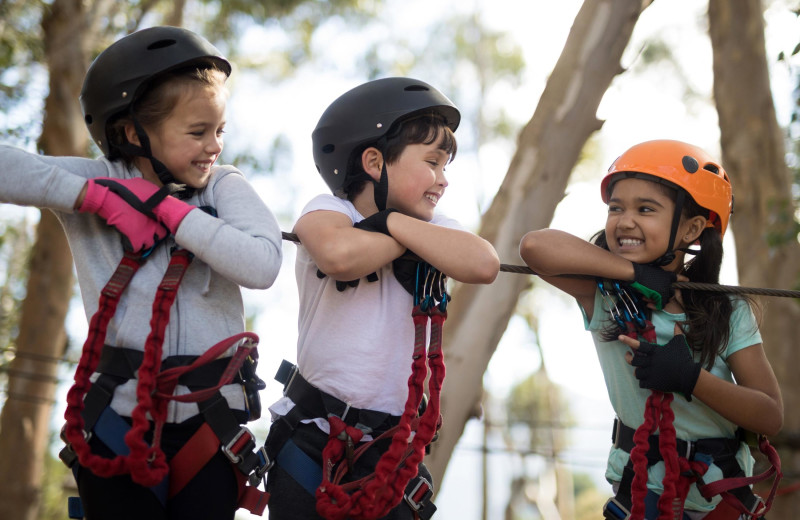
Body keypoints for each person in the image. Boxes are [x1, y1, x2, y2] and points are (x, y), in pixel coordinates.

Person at [0, 26, 282, 519]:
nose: (213, 146)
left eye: (219, 130)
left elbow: (261, 264)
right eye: (197, 132)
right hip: (116, 419)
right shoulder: (98, 182)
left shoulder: (224, 187)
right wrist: (96, 199)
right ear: (133, 134)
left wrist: (172, 213)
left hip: (208, 425)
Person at [263, 77, 500, 520]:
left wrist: (392, 224)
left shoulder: (435, 224)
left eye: (446, 167)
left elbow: (483, 263)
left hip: (392, 452)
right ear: (374, 161)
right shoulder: (332, 211)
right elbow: (338, 254)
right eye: (433, 162)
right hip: (313, 439)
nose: (443, 180)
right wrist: (406, 235)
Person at [519, 139, 783, 519]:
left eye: (646, 209)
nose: (625, 221)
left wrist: (690, 378)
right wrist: (635, 274)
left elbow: (770, 415)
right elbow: (535, 247)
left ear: (692, 228)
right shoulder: (606, 296)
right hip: (640, 495)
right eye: (616, 208)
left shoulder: (726, 311)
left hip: (716, 499)